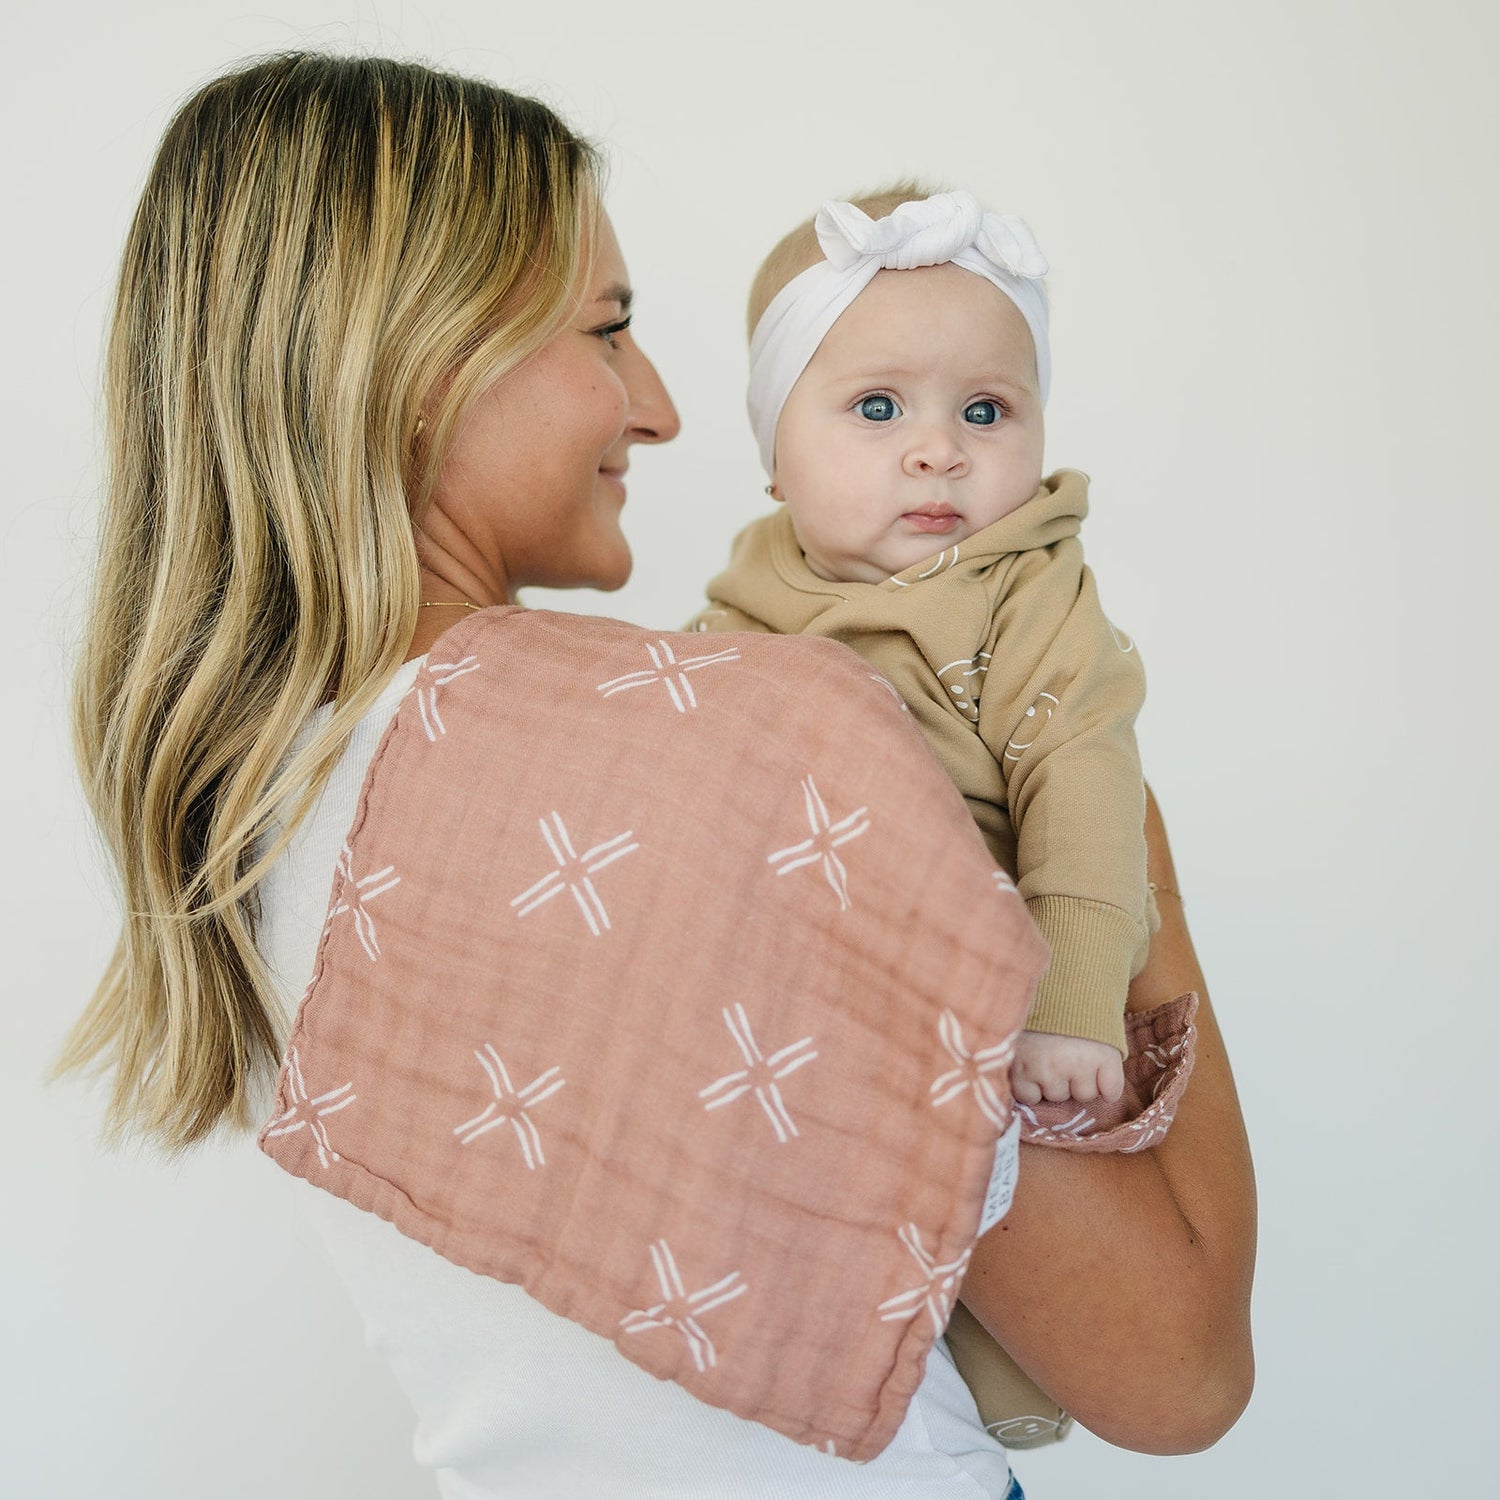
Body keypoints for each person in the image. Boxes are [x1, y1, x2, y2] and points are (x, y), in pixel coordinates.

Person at [57, 52, 1255, 1498]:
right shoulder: (756, 751)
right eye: (609, 331)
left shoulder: (250, 811)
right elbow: (1179, 1370)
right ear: (425, 359)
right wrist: (1103, 793)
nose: (665, 409)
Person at [692, 187, 1149, 1112]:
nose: (939, 450)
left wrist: (1068, 1000)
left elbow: (1081, 777)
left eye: (985, 411)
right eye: (878, 407)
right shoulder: (748, 588)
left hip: (991, 994)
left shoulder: (1027, 587)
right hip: (792, 983)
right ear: (776, 454)